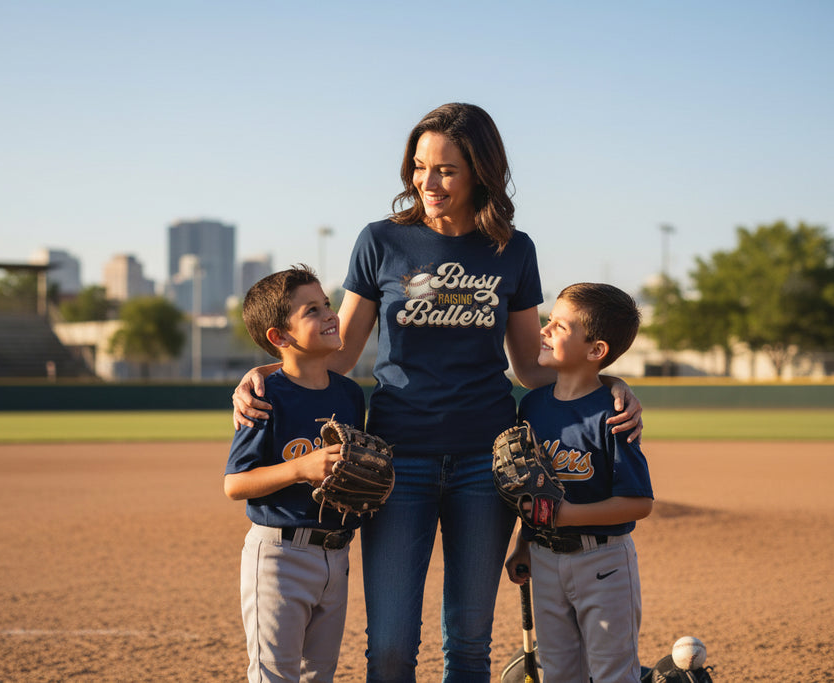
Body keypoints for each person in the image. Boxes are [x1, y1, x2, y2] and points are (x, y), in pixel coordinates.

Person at [233, 103, 643, 683]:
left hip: (486, 463)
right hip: (398, 460)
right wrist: (261, 374)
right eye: (420, 166)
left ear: (480, 172)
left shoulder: (513, 249)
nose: (428, 182)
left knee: (469, 646)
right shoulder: (380, 242)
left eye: (446, 170)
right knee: (393, 649)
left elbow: (530, 366)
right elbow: (342, 355)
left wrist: (611, 382)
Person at [504, 282, 654, 683]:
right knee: (558, 672)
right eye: (548, 321)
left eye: (559, 326)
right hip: (546, 559)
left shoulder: (614, 412)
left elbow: (638, 503)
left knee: (612, 671)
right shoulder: (532, 405)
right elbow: (533, 489)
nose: (544, 330)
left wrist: (569, 515)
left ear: (596, 351)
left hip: (602, 562)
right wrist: (523, 544)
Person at [224, 264, 366, 683]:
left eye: (327, 304)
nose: (329, 314)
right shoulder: (267, 396)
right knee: (275, 676)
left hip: (336, 554)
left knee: (317, 676)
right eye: (311, 310)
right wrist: (300, 468)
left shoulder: (350, 394)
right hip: (280, 557)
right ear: (279, 337)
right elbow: (235, 483)